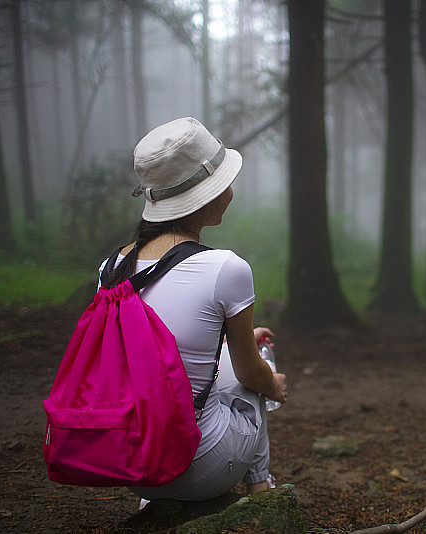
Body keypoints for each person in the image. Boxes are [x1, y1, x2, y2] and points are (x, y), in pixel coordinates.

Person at [99, 117, 288, 502]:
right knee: (259, 370)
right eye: (225, 182)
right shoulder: (226, 268)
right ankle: (261, 488)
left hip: (129, 465)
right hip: (197, 465)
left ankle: (152, 500)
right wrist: (273, 384)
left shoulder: (111, 269)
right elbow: (248, 374)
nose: (231, 191)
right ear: (206, 194)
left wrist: (231, 344)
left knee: (229, 364)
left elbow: (156, 351)